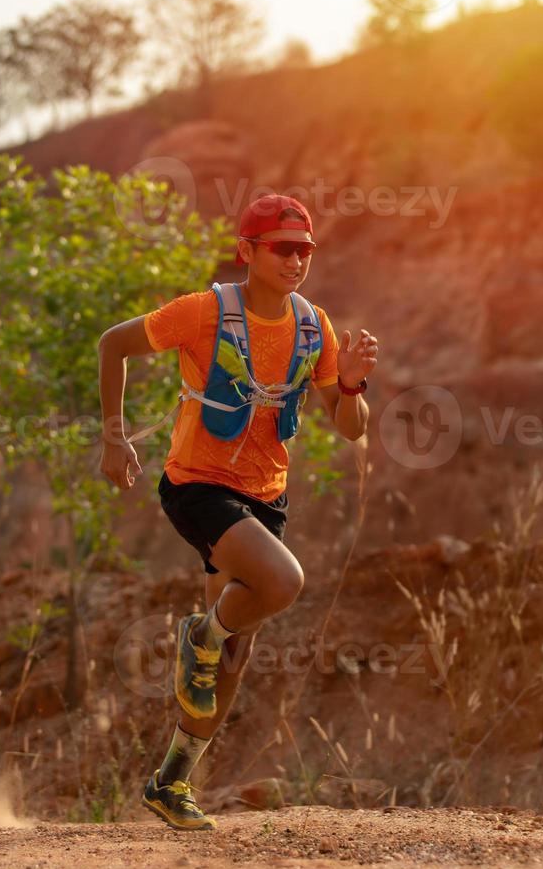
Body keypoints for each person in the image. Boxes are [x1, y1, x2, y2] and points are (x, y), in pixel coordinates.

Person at [96, 194, 380, 830]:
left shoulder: (315, 327)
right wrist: (113, 438)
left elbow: (351, 427)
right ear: (247, 251)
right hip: (197, 484)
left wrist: (355, 385)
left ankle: (171, 782)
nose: (297, 260)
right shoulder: (203, 313)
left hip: (265, 497)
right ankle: (200, 632)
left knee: (229, 666)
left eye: (306, 249)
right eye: (283, 248)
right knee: (283, 582)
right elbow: (112, 345)